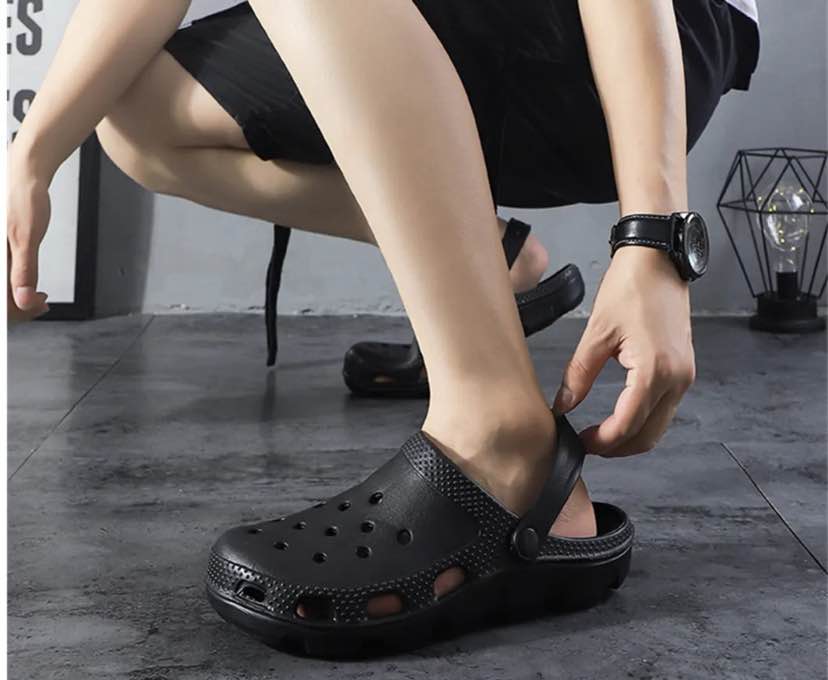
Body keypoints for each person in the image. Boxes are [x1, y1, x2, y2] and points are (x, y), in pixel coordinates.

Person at [7, 0, 759, 653]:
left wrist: (656, 237)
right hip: (474, 44)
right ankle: (488, 267)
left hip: (644, 46)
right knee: (136, 112)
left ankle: (500, 439)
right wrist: (32, 155)